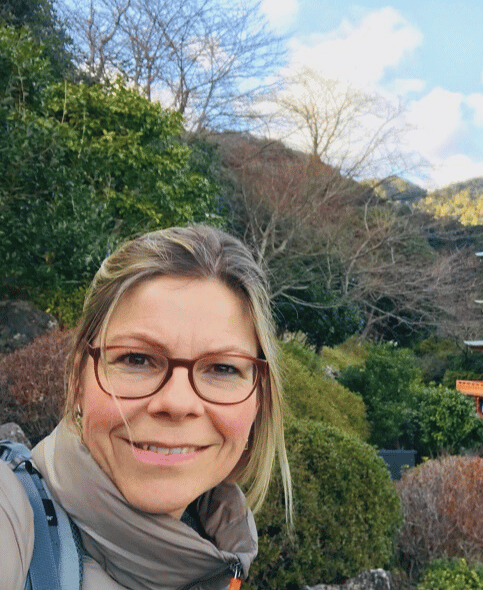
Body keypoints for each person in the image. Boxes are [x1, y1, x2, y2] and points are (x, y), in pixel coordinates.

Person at [1, 225, 293, 589]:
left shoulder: (225, 549)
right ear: (78, 379)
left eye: (222, 368)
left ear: (258, 400)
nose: (177, 402)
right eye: (137, 359)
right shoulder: (11, 516)